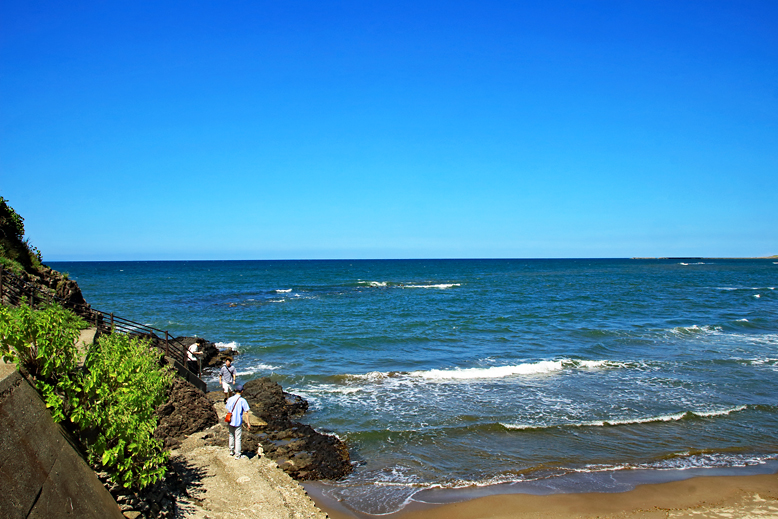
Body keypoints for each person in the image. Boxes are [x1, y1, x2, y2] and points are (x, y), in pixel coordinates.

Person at [226, 385, 251, 459]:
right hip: (238, 421)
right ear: (242, 391)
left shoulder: (230, 399)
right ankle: (237, 454)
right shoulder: (242, 400)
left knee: (231, 435)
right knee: (238, 438)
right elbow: (246, 412)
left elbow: (228, 409)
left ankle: (231, 450)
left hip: (230, 420)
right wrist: (248, 423)